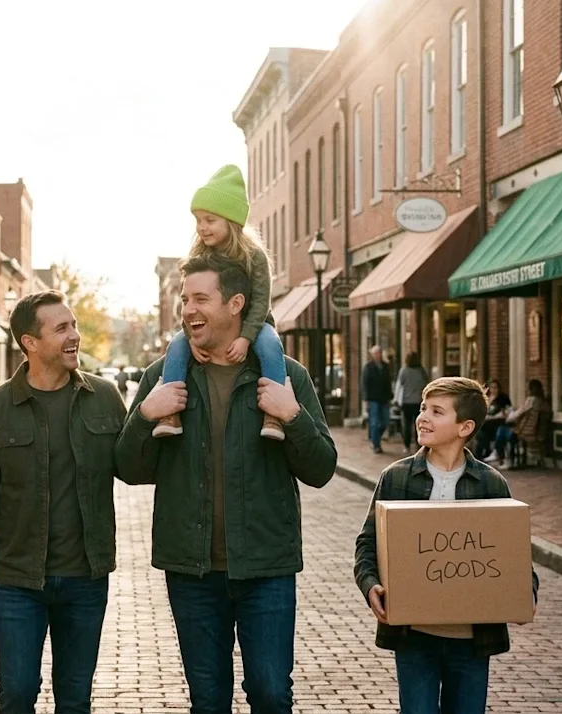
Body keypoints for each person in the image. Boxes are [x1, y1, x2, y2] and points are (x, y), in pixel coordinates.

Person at [117, 254, 337, 714]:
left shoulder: (284, 375)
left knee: (272, 694)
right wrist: (145, 415)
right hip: (191, 571)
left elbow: (320, 469)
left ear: (236, 303)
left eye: (201, 299)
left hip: (266, 567)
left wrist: (291, 416)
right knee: (208, 699)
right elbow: (128, 467)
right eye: (184, 300)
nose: (189, 310)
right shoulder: (165, 376)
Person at [0, 291, 128, 713]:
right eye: (62, 328)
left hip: (86, 576)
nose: (75, 336)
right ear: (29, 342)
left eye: (75, 326)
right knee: (16, 692)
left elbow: (138, 467)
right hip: (19, 580)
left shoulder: (103, 397)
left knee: (75, 698)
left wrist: (153, 416)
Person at [354, 377, 538, 714]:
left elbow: (511, 554)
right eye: (423, 408)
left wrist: (526, 595)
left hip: (471, 641)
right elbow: (368, 544)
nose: (422, 417)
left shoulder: (490, 483)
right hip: (414, 637)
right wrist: (370, 586)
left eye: (437, 411)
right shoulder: (396, 478)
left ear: (465, 426)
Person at [154, 164, 288, 442]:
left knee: (271, 345)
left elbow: (262, 300)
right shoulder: (199, 253)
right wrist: (192, 337)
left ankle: (274, 414)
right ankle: (169, 412)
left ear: (231, 220)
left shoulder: (254, 256)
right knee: (176, 346)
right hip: (212, 328)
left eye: (209, 220)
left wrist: (245, 338)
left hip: (255, 323)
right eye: (198, 220)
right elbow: (188, 300)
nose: (202, 227)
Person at [493, 379, 549, 465]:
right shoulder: (542, 401)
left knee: (501, 429)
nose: (526, 390)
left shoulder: (531, 400)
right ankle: (500, 456)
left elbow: (519, 414)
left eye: (527, 388)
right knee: (503, 429)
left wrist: (509, 414)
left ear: (531, 389)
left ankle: (503, 458)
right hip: (537, 431)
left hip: (526, 431)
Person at [394, 352, 429, 453]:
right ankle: (419, 445)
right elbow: (427, 384)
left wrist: (396, 399)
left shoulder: (404, 371)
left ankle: (407, 446)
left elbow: (399, 386)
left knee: (406, 425)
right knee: (419, 424)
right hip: (419, 402)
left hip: (406, 402)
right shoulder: (422, 371)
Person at [361, 345, 393, 454]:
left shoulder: (385, 366)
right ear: (372, 355)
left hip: (384, 398)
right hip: (373, 398)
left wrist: (390, 395)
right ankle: (376, 445)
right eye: (375, 353)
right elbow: (365, 383)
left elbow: (389, 381)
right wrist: (366, 399)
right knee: (374, 422)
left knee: (385, 421)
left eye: (379, 353)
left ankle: (375, 437)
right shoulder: (368, 367)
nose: (377, 355)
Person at [478, 380, 512, 462]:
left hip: (498, 423)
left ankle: (484, 454)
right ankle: (481, 454)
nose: (494, 390)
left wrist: (491, 417)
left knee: (483, 429)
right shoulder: (486, 397)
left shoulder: (503, 398)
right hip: (487, 422)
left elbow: (505, 412)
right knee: (480, 432)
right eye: (492, 387)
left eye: (496, 388)